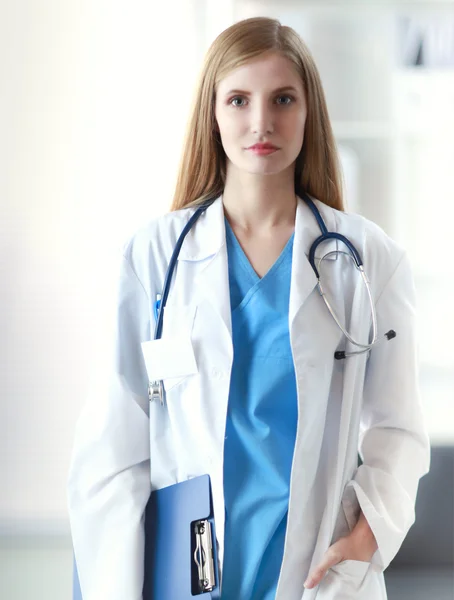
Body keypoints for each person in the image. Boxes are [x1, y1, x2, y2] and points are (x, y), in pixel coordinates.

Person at [67, 16, 430, 600]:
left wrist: (367, 537)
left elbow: (400, 429)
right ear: (212, 113)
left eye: (283, 99)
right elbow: (114, 446)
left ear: (309, 112)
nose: (261, 122)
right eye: (239, 99)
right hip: (184, 572)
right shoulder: (156, 256)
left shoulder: (367, 261)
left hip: (317, 571)